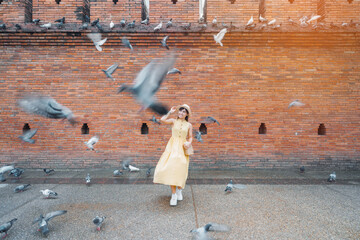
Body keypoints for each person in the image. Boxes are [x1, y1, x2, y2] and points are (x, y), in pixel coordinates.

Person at [153, 104, 193, 206]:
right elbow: (162, 119)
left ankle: (179, 189)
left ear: (187, 114)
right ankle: (174, 195)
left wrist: (189, 142)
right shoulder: (173, 121)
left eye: (184, 111)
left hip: (183, 148)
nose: (181, 113)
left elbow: (191, 137)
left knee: (181, 169)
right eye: (180, 111)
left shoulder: (189, 125)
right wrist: (170, 112)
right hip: (172, 147)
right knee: (171, 169)